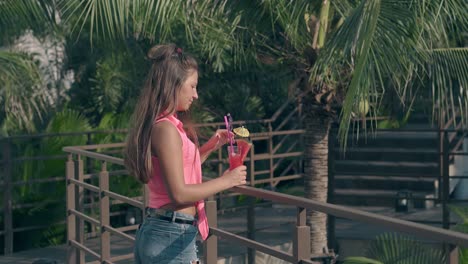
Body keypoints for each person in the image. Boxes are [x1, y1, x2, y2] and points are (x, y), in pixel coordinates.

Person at [124, 44, 247, 264]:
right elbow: (179, 194)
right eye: (192, 86)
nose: (196, 95)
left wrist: (211, 146)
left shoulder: (165, 125)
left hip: (163, 231)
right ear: (174, 85)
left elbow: (178, 169)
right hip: (172, 236)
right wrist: (227, 181)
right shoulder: (166, 130)